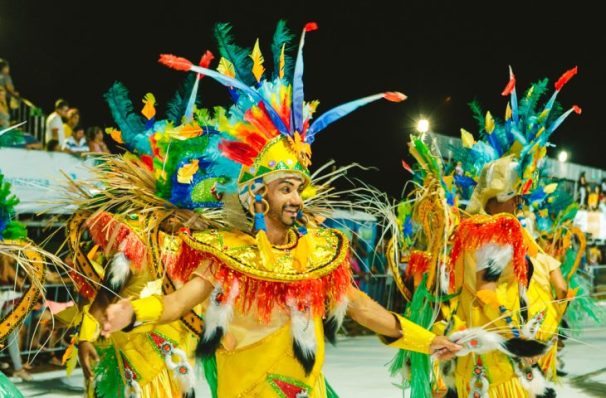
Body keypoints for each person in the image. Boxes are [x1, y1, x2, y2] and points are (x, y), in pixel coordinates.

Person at [100, 21, 460, 398]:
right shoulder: (227, 254)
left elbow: (364, 310)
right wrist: (132, 313)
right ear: (258, 197)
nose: (297, 199)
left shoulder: (318, 253)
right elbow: (176, 303)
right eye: (285, 189)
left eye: (299, 189)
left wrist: (428, 341)